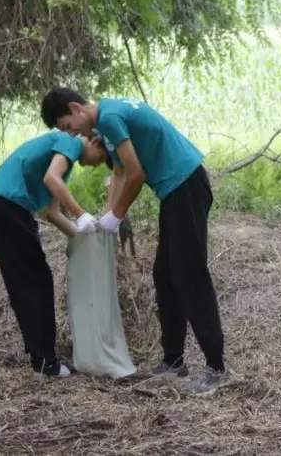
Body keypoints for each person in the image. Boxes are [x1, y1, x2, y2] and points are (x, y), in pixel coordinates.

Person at [39, 89, 228, 395]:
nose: (72, 133)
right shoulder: (105, 121)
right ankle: (173, 360)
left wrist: (117, 214)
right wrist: (108, 218)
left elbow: (137, 172)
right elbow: (119, 171)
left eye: (67, 125)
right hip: (174, 192)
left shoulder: (111, 117)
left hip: (186, 186)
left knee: (189, 275)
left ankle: (217, 367)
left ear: (76, 108)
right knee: (165, 276)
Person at [0, 131, 108, 378]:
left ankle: (40, 356)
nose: (97, 164)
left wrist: (87, 242)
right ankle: (46, 363)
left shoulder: (62, 156)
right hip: (8, 207)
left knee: (26, 281)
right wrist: (82, 214)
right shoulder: (69, 142)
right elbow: (51, 180)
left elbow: (52, 213)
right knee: (35, 282)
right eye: (101, 157)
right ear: (93, 141)